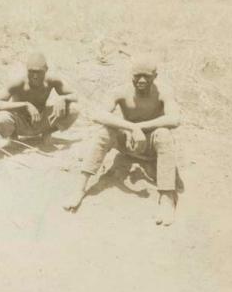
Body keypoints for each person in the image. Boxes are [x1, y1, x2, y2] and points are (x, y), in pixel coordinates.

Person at [64, 55, 181, 226]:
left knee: (164, 134)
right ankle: (79, 188)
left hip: (150, 145)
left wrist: (140, 127)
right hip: (127, 142)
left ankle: (167, 199)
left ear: (155, 77)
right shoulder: (121, 91)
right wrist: (131, 128)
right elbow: (98, 114)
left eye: (146, 76)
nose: (141, 80)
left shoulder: (164, 92)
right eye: (137, 76)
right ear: (131, 75)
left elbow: (174, 119)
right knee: (105, 132)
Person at [0, 52, 79, 146]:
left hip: (41, 121)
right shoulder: (18, 82)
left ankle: (47, 133)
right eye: (31, 71)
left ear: (46, 70)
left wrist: (63, 98)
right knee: (1, 117)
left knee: (73, 109)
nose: (35, 76)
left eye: (38, 72)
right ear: (26, 70)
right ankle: (13, 136)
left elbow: (75, 95)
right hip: (20, 123)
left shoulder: (52, 80)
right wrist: (25, 105)